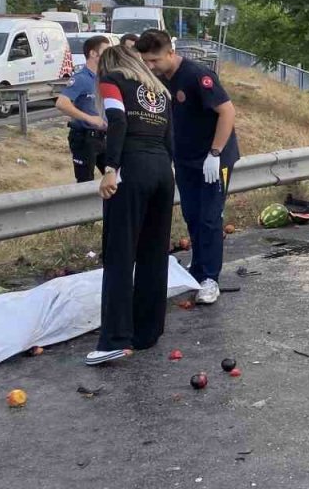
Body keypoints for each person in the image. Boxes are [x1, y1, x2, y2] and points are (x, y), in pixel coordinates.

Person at [137, 29, 240, 305]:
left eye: (155, 60)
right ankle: (197, 269)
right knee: (192, 215)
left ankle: (210, 278)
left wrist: (215, 153)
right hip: (185, 159)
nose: (151, 66)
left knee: (209, 218)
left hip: (213, 159)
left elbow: (226, 111)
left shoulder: (197, 76)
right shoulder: (158, 80)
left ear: (170, 52)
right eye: (146, 61)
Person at [87, 46, 176, 366]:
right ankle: (147, 332)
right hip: (163, 171)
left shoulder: (112, 81)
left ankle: (114, 338)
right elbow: (170, 138)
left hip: (132, 169)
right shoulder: (159, 90)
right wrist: (167, 170)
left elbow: (117, 121)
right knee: (154, 253)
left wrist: (110, 168)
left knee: (120, 254)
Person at [55, 35, 110, 182]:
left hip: (105, 138)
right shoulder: (81, 78)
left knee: (117, 179)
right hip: (85, 138)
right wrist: (89, 118)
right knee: (85, 181)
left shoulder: (106, 77)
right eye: (106, 51)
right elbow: (62, 103)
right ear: (93, 53)